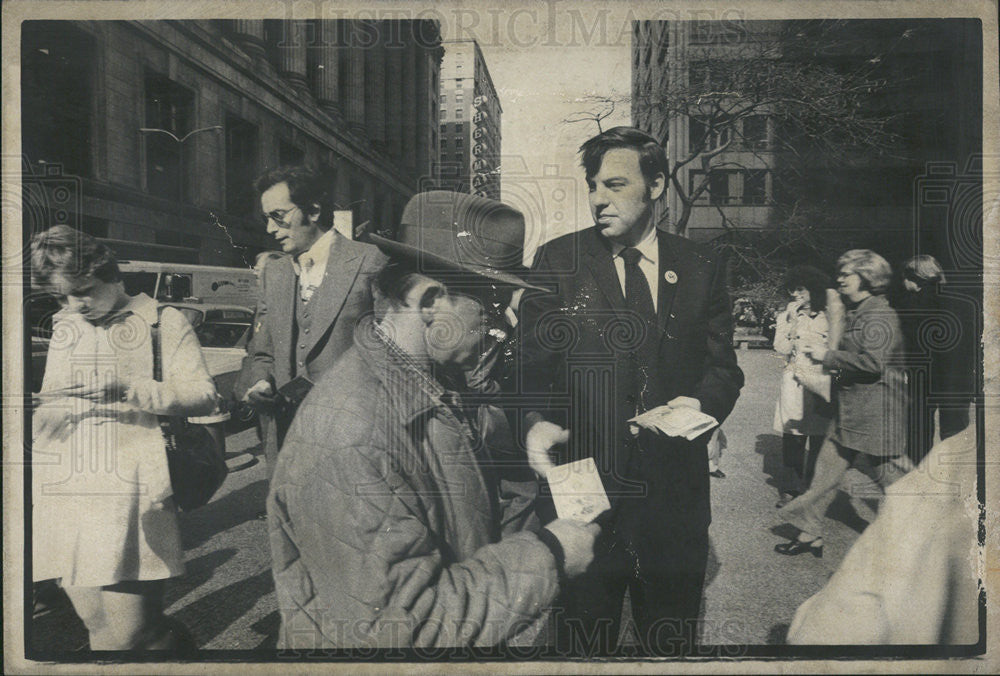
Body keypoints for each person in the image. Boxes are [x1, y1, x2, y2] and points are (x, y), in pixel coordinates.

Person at [267, 191, 601, 649]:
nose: (499, 324)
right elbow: (406, 624)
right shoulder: (350, 435)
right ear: (428, 301)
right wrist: (551, 556)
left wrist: (527, 433)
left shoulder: (426, 383)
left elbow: (464, 455)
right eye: (490, 305)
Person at [516, 127, 744, 654]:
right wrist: (532, 421)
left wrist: (702, 405)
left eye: (615, 185)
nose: (599, 199)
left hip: (674, 495)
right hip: (582, 489)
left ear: (657, 184)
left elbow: (723, 368)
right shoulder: (559, 261)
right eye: (594, 186)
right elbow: (527, 368)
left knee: (670, 642)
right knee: (582, 639)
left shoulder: (700, 266)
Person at [30, 225, 217, 650]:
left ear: (106, 271)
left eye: (82, 290)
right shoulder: (67, 326)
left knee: (134, 632)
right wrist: (47, 417)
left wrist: (128, 388)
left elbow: (204, 396)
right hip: (69, 495)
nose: (73, 304)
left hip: (130, 494)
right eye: (61, 296)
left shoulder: (161, 322)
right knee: (97, 626)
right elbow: (54, 399)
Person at [235, 165, 386, 480]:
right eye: (266, 219)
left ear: (314, 210)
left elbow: (393, 357)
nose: (270, 229)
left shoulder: (371, 261)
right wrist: (261, 382)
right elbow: (261, 351)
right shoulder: (274, 273)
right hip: (289, 444)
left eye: (278, 215)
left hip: (354, 443)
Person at [775, 250, 912, 557]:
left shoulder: (879, 314)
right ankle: (810, 534)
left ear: (867, 278)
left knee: (892, 481)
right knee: (824, 475)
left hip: (877, 411)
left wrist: (828, 356)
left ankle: (916, 535)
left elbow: (874, 363)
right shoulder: (860, 309)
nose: (839, 279)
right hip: (853, 410)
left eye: (846, 274)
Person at [787, 426, 977, 644]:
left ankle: (810, 529)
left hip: (870, 399)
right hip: (855, 399)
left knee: (887, 467)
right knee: (841, 452)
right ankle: (809, 528)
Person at [895, 255, 972, 465]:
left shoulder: (912, 303)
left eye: (905, 278)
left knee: (918, 429)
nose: (903, 283)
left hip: (923, 376)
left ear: (914, 278)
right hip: (957, 376)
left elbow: (909, 345)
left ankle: (919, 476)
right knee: (955, 432)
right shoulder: (960, 299)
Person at [772, 265, 837, 506]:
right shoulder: (786, 316)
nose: (795, 295)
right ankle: (790, 487)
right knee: (793, 436)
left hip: (821, 381)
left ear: (814, 289)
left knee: (819, 435)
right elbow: (781, 349)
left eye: (800, 289)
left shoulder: (829, 316)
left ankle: (811, 486)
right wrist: (789, 322)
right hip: (794, 380)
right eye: (792, 290)